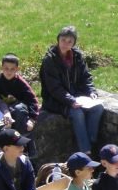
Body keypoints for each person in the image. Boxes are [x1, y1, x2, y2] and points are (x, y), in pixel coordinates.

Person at [39, 25, 105, 154]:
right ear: (58, 40)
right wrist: (71, 101)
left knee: (98, 108)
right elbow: (54, 88)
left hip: (76, 97)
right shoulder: (50, 60)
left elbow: (86, 77)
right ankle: (85, 151)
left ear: (74, 43)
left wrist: (92, 92)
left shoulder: (77, 56)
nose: (65, 44)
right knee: (77, 113)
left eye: (70, 41)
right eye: (63, 40)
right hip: (56, 100)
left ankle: (90, 145)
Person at [0, 53, 40, 158]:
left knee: (20, 112)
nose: (9, 72)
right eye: (6, 68)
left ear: (17, 69)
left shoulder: (20, 83)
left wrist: (32, 119)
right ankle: (4, 149)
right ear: (1, 68)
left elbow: (33, 100)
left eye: (12, 69)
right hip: (4, 110)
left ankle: (26, 147)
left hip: (19, 110)